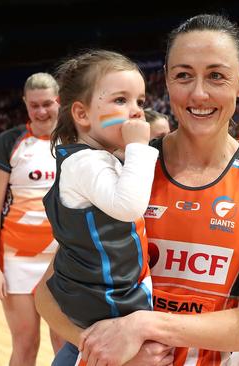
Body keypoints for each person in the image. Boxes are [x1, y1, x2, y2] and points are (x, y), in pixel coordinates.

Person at [35, 13, 239, 366]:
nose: (199, 93)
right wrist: (111, 348)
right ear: (166, 80)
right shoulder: (124, 164)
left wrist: (142, 327)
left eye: (216, 76)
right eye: (184, 75)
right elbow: (47, 293)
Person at [43, 49, 157, 343]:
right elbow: (129, 206)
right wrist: (139, 148)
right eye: (121, 100)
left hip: (100, 301)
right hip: (108, 303)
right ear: (82, 114)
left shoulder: (93, 159)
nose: (136, 110)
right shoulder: (85, 162)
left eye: (140, 101)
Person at [0, 72, 63, 365]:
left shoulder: (77, 140)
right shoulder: (10, 141)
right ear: (25, 105)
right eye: (34, 106)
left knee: (65, 344)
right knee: (26, 344)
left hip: (64, 259)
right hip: (18, 259)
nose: (41, 111)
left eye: (47, 104)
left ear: (60, 101)